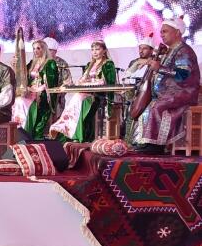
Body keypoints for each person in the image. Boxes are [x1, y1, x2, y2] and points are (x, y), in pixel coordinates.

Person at [129, 17, 200, 154]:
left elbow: (184, 75)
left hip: (184, 92)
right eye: (161, 32)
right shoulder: (170, 50)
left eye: (165, 31)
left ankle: (156, 145)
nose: (161, 34)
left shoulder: (184, 51)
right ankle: (146, 142)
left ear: (177, 32)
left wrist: (159, 68)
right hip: (169, 93)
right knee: (149, 105)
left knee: (157, 106)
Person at [49, 40, 116, 142]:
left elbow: (107, 82)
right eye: (92, 50)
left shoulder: (108, 64)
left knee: (80, 100)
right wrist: (81, 81)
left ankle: (79, 135)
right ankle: (69, 131)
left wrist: (90, 82)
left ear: (104, 51)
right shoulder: (90, 64)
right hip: (85, 93)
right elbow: (83, 79)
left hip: (98, 95)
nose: (94, 52)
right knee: (75, 99)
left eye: (97, 49)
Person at [11, 39, 60, 140]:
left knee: (22, 101)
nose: (35, 51)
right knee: (18, 100)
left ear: (44, 49)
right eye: (34, 49)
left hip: (42, 93)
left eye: (38, 48)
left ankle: (26, 132)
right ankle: (19, 131)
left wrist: (37, 88)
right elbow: (22, 75)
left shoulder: (50, 63)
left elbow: (52, 81)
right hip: (30, 91)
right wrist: (15, 65)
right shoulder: (32, 63)